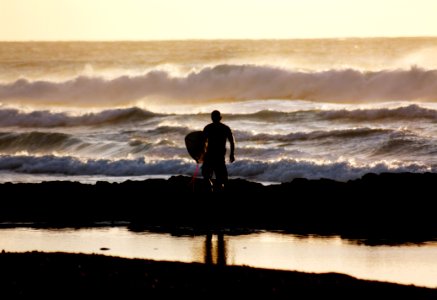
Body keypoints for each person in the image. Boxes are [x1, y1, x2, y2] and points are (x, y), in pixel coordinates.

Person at [202, 110, 235, 192]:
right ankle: (214, 187)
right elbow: (232, 141)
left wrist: (200, 154)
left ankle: (213, 187)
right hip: (216, 156)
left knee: (208, 176)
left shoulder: (208, 127)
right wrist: (232, 154)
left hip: (212, 156)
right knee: (218, 177)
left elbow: (202, 142)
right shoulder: (225, 128)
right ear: (220, 118)